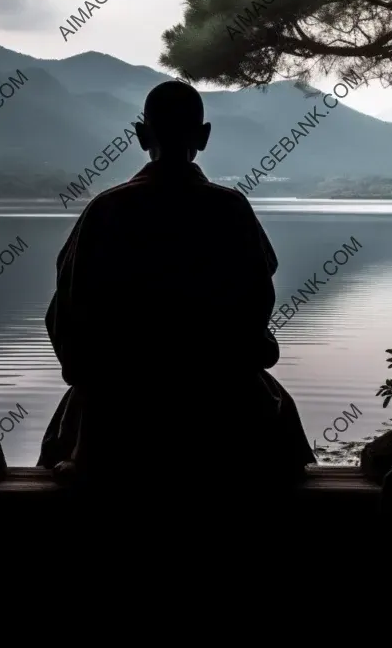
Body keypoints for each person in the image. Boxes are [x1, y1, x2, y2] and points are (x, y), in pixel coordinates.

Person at [39, 79, 314, 505]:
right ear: (203, 136)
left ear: (141, 135)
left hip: (116, 420)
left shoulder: (106, 211)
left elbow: (66, 321)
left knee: (77, 416)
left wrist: (108, 370)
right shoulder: (230, 210)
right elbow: (256, 315)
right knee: (274, 421)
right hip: (225, 415)